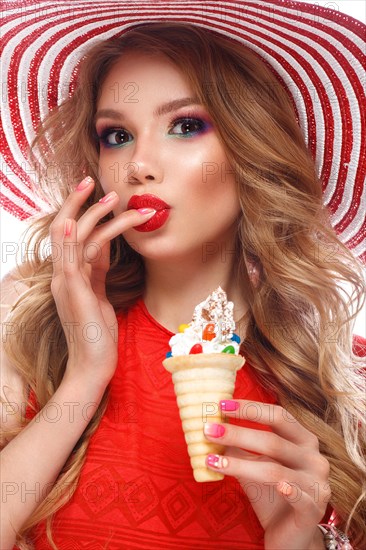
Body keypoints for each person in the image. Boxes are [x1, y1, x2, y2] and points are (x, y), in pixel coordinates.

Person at [1, 18, 365, 550]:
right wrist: (85, 375)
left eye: (186, 125)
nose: (138, 166)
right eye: (117, 136)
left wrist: (301, 545)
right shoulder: (30, 333)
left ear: (253, 150)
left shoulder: (346, 384)